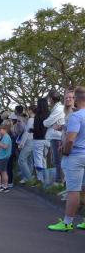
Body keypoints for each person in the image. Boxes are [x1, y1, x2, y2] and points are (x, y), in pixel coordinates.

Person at [48, 87, 85, 232]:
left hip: (75, 156)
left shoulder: (76, 116)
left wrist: (65, 151)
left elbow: (70, 140)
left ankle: (67, 223)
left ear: (76, 99)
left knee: (73, 191)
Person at [44, 90, 65, 183]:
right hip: (56, 136)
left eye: (49, 98)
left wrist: (46, 122)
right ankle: (60, 180)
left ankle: (59, 180)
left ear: (52, 99)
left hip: (57, 137)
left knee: (57, 161)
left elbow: (47, 122)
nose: (48, 100)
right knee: (56, 161)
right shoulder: (57, 108)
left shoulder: (58, 109)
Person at [32, 97, 50, 181]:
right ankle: (46, 178)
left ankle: (40, 179)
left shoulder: (37, 115)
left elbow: (36, 129)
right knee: (44, 159)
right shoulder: (49, 114)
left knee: (38, 160)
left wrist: (31, 130)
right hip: (47, 139)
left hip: (38, 139)